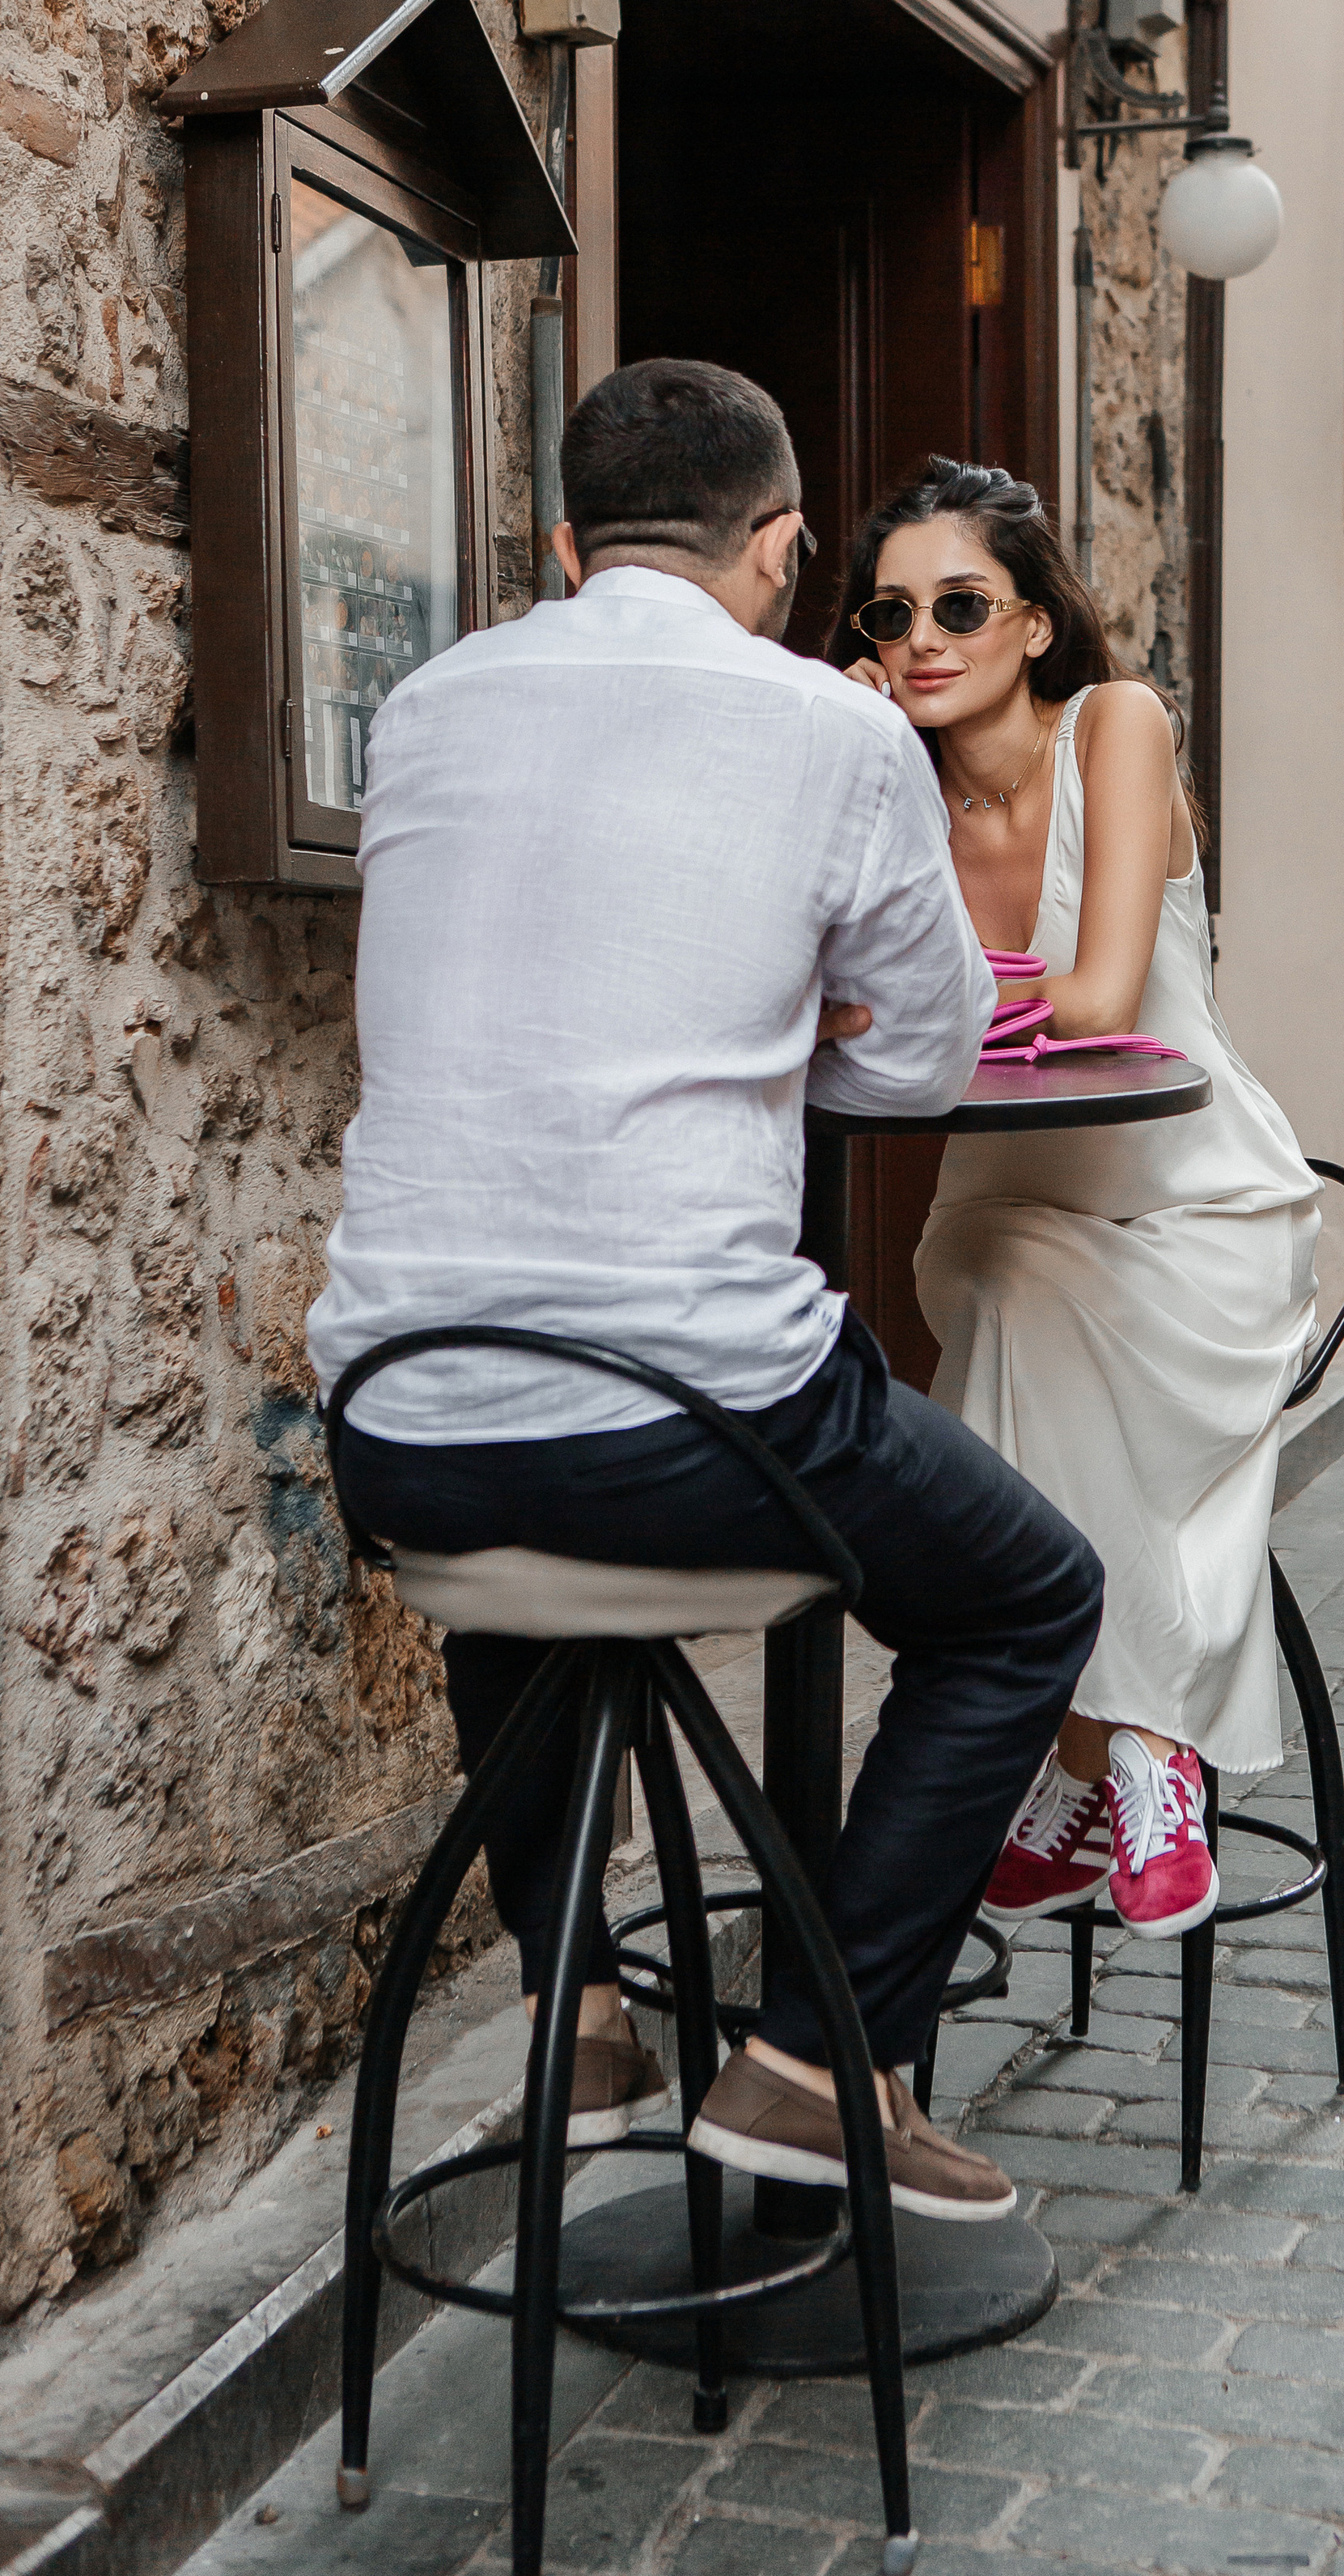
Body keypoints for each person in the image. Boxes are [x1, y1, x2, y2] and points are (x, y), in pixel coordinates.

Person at [307, 364, 1104, 2221]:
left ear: (563, 548)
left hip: (399, 1419)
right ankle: (817, 2067)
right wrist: (777, 1025)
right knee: (1028, 1597)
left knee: (515, 1485)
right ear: (782, 546)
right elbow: (918, 1061)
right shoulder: (832, 734)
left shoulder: (424, 705)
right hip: (693, 1425)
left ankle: (580, 2012)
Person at [835, 460, 1320, 1942]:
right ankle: (1137, 1759)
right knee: (1009, 1290)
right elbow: (825, 997)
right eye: (891, 615)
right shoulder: (892, 779)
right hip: (1001, 1216)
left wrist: (912, 1003)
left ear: (1035, 623)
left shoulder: (1118, 726)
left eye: (960, 605)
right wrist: (854, 749)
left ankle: (1088, 1752)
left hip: (1202, 1216)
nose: (924, 639)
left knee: (1018, 1327)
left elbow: (1102, 998)